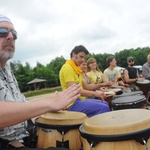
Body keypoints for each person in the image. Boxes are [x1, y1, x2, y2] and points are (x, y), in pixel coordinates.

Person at [0, 15, 81, 150]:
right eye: (2, 31)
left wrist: (54, 103)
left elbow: (23, 106)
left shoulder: (7, 69)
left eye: (14, 33)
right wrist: (49, 103)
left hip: (23, 136)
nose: (10, 37)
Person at [59, 45, 111, 118]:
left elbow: (86, 86)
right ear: (74, 54)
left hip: (79, 100)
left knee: (105, 103)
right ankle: (93, 128)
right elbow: (75, 90)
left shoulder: (76, 69)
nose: (83, 60)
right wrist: (96, 94)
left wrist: (103, 84)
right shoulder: (67, 68)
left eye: (84, 57)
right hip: (72, 104)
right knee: (103, 108)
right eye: (81, 56)